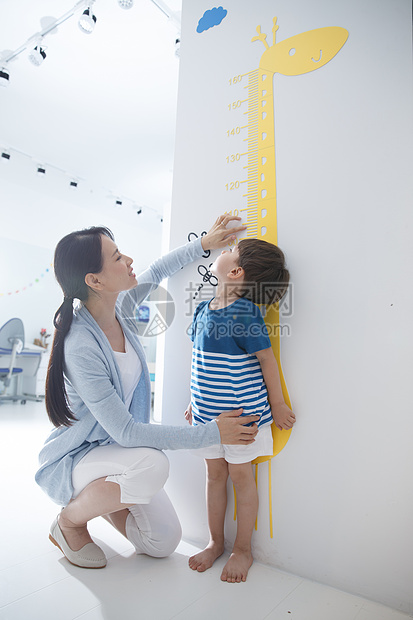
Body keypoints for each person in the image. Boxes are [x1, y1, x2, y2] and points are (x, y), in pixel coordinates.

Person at [35, 215, 261, 570]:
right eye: (117, 257)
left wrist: (207, 243)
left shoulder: (120, 311)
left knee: (161, 542)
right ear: (94, 280)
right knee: (154, 463)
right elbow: (127, 432)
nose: (129, 261)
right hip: (80, 456)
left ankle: (105, 497)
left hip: (114, 451)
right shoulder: (80, 344)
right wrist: (211, 432)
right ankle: (69, 522)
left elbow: (158, 269)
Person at [184, 238, 296, 583]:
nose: (224, 248)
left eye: (230, 250)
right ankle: (216, 542)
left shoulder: (245, 313)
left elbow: (266, 359)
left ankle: (242, 548)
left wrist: (277, 405)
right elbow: (199, 362)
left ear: (235, 271)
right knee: (214, 476)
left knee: (240, 479)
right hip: (207, 419)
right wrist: (193, 401)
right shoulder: (204, 309)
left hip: (244, 420)